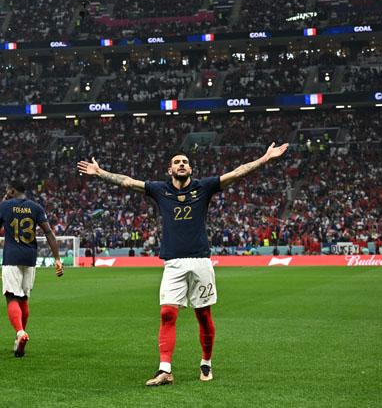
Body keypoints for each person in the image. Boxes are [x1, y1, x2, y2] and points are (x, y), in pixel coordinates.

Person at [77, 142, 289, 385]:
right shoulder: (160, 190)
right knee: (167, 313)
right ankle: (165, 369)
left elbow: (237, 172)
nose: (181, 164)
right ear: (170, 170)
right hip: (173, 262)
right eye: (177, 162)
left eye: (185, 162)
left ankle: (206, 363)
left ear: (191, 168)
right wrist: (100, 172)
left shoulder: (204, 187)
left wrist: (264, 159)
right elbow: (127, 181)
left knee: (203, 315)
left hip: (200, 260)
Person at [0, 180, 64, 358]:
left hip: (12, 256)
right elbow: (48, 232)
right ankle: (20, 336)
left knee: (11, 297)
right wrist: (57, 258)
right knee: (24, 298)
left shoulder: (5, 205)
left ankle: (19, 332)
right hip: (30, 256)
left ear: (11, 190)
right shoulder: (36, 207)